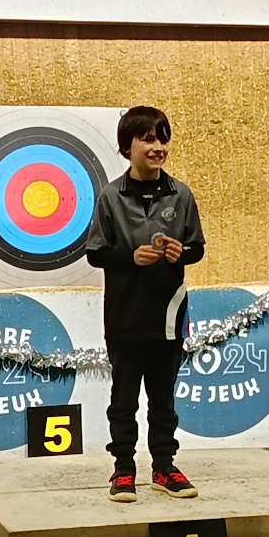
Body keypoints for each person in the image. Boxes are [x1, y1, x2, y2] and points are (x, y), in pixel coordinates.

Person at [86, 107, 206, 503]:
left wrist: (180, 252)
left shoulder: (181, 194)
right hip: (124, 315)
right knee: (123, 401)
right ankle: (123, 469)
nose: (158, 147)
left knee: (164, 400)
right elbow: (96, 253)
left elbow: (197, 248)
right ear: (128, 146)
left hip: (168, 316)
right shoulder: (110, 196)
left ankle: (164, 467)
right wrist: (129, 258)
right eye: (148, 139)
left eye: (163, 139)